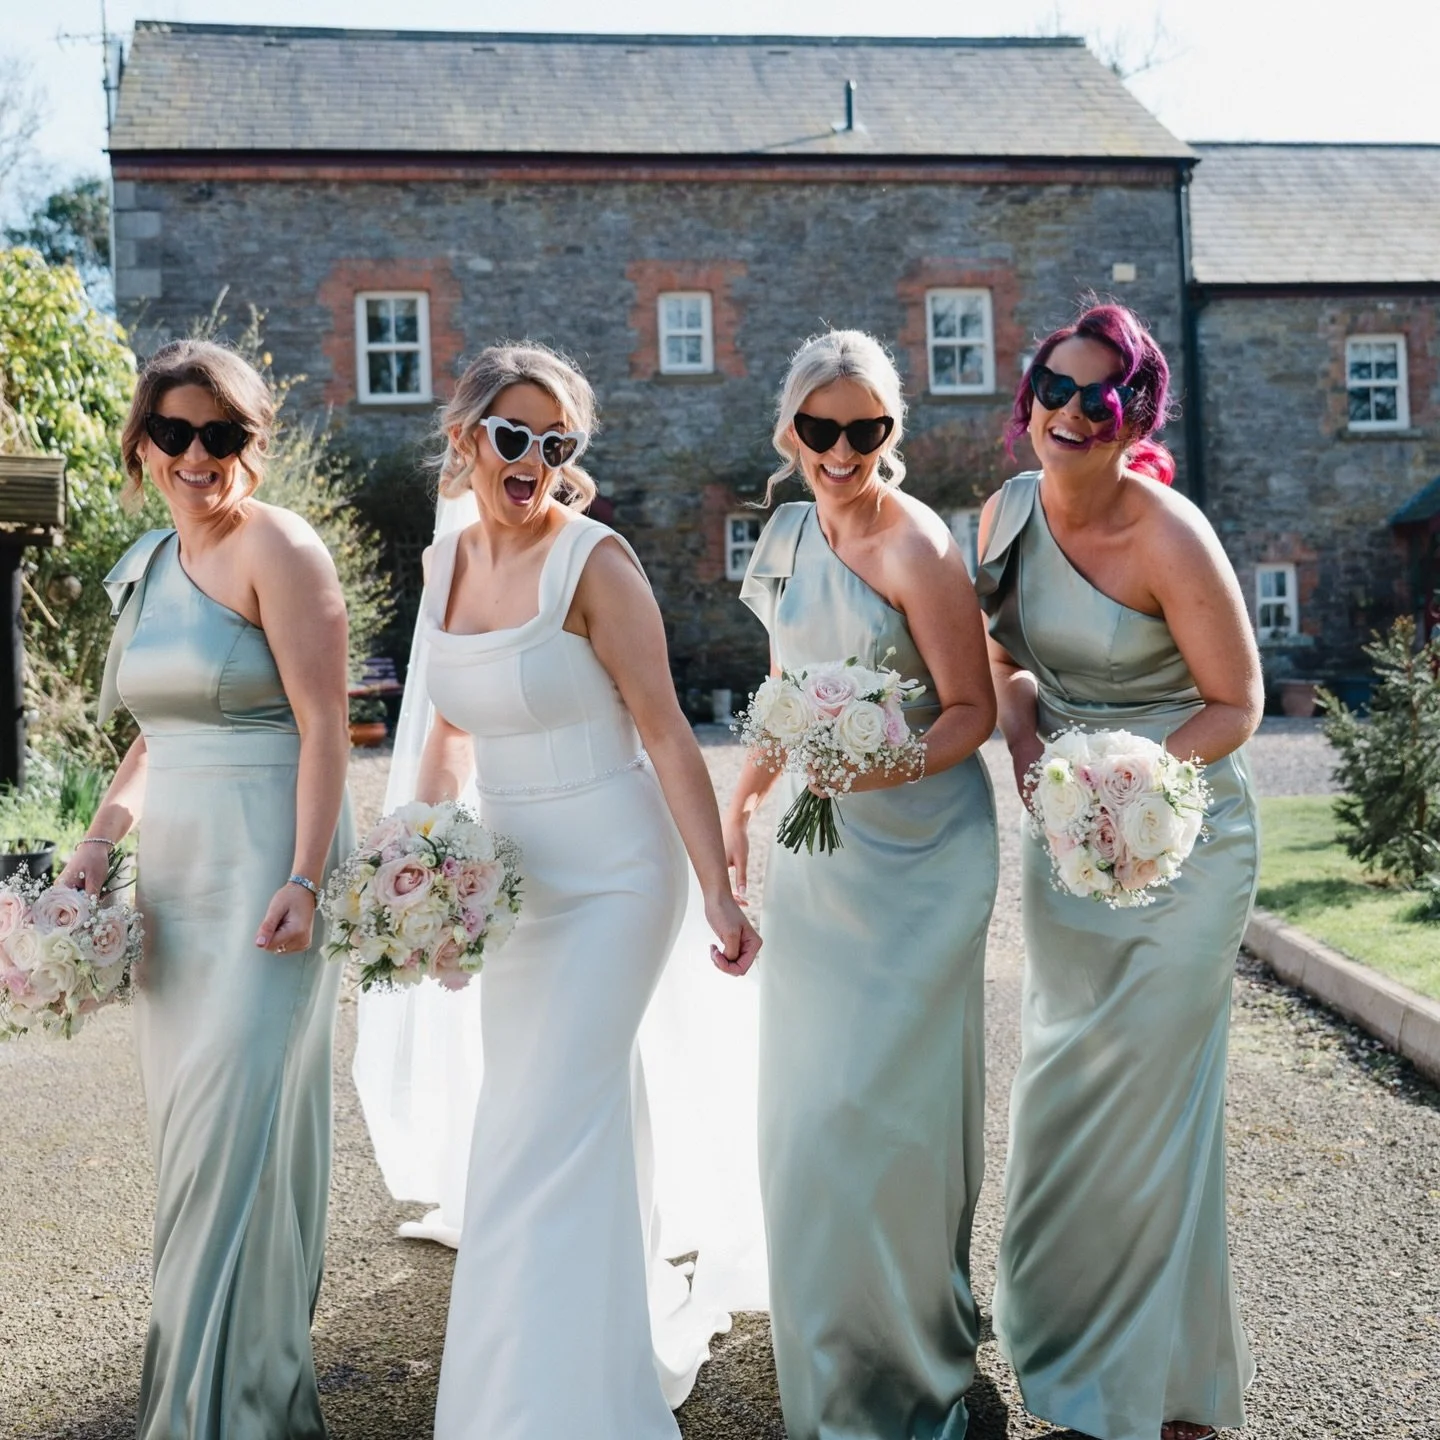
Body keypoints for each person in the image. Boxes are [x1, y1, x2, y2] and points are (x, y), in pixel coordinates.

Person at [376, 342, 761, 1439]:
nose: (534, 459)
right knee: (532, 1115)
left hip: (615, 875)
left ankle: (561, 1407)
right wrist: (432, 873)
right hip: (512, 882)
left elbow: (667, 734)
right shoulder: (441, 564)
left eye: (558, 443)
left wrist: (720, 898)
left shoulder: (597, 565)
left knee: (547, 1123)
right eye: (514, 436)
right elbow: (447, 735)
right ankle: (548, 1375)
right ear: (465, 440)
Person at [976, 301, 1263, 1440]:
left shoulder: (1169, 533)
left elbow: (1236, 705)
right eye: (1054, 387)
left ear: (1131, 409)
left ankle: (1162, 1387)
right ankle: (1058, 1338)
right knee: (1061, 1083)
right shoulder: (1001, 516)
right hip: (1068, 835)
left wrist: (1130, 780)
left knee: (1155, 1106)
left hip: (1182, 840)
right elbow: (1004, 656)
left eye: (1100, 395)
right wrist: (1031, 748)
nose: (1072, 412)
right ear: (1029, 399)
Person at [57, 338, 352, 1439]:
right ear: (143, 446)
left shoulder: (281, 547)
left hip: (271, 865)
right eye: (176, 432)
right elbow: (153, 734)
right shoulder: (142, 560)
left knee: (241, 1140)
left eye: (222, 435)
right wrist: (98, 841)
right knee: (192, 1147)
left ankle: (233, 1411)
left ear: (251, 448)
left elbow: (326, 727)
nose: (197, 454)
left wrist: (307, 878)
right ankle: (210, 1398)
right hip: (177, 880)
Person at [724, 329, 999, 1440]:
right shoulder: (788, 532)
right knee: (807, 1117)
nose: (844, 450)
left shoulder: (918, 544)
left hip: (920, 862)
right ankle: (832, 1363)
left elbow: (971, 713)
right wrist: (746, 800)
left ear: (893, 432)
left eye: (868, 429)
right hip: (816, 857)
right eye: (823, 429)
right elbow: (788, 689)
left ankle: (910, 1363)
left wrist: (877, 761)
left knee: (880, 1118)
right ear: (791, 432)